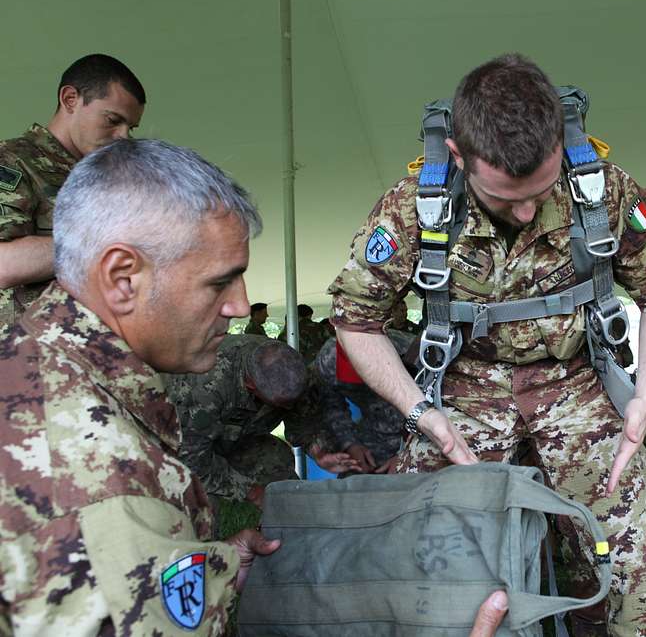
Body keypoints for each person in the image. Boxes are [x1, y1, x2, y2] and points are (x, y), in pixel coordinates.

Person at [0, 138, 510, 637]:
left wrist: (212, 570)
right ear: (122, 277)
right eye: (220, 282)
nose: (241, 308)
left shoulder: (42, 365)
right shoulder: (94, 476)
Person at [330, 54, 646, 636]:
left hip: (577, 383)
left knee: (636, 576)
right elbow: (355, 320)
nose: (526, 211)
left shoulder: (602, 189)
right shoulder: (411, 208)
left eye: (540, 192)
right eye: (504, 199)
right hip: (464, 390)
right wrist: (422, 414)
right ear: (457, 154)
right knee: (433, 566)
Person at [0, 53, 145, 327]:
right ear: (70, 99)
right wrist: (106, 245)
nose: (123, 136)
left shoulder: (108, 178)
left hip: (93, 351)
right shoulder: (11, 161)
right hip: (24, 355)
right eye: (113, 120)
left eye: (130, 127)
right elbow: (4, 264)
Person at [163, 334, 347, 508]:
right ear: (250, 385)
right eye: (280, 404)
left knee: (278, 465)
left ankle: (290, 529)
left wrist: (317, 451)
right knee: (201, 500)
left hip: (235, 436)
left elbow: (301, 418)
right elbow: (191, 459)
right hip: (178, 444)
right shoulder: (205, 386)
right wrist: (251, 492)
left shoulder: (288, 368)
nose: (287, 409)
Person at [313, 337, 408, 474]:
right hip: (377, 430)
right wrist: (350, 444)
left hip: (423, 432)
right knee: (353, 477)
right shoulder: (329, 361)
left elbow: (437, 408)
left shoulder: (408, 353)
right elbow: (331, 406)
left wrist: (407, 454)